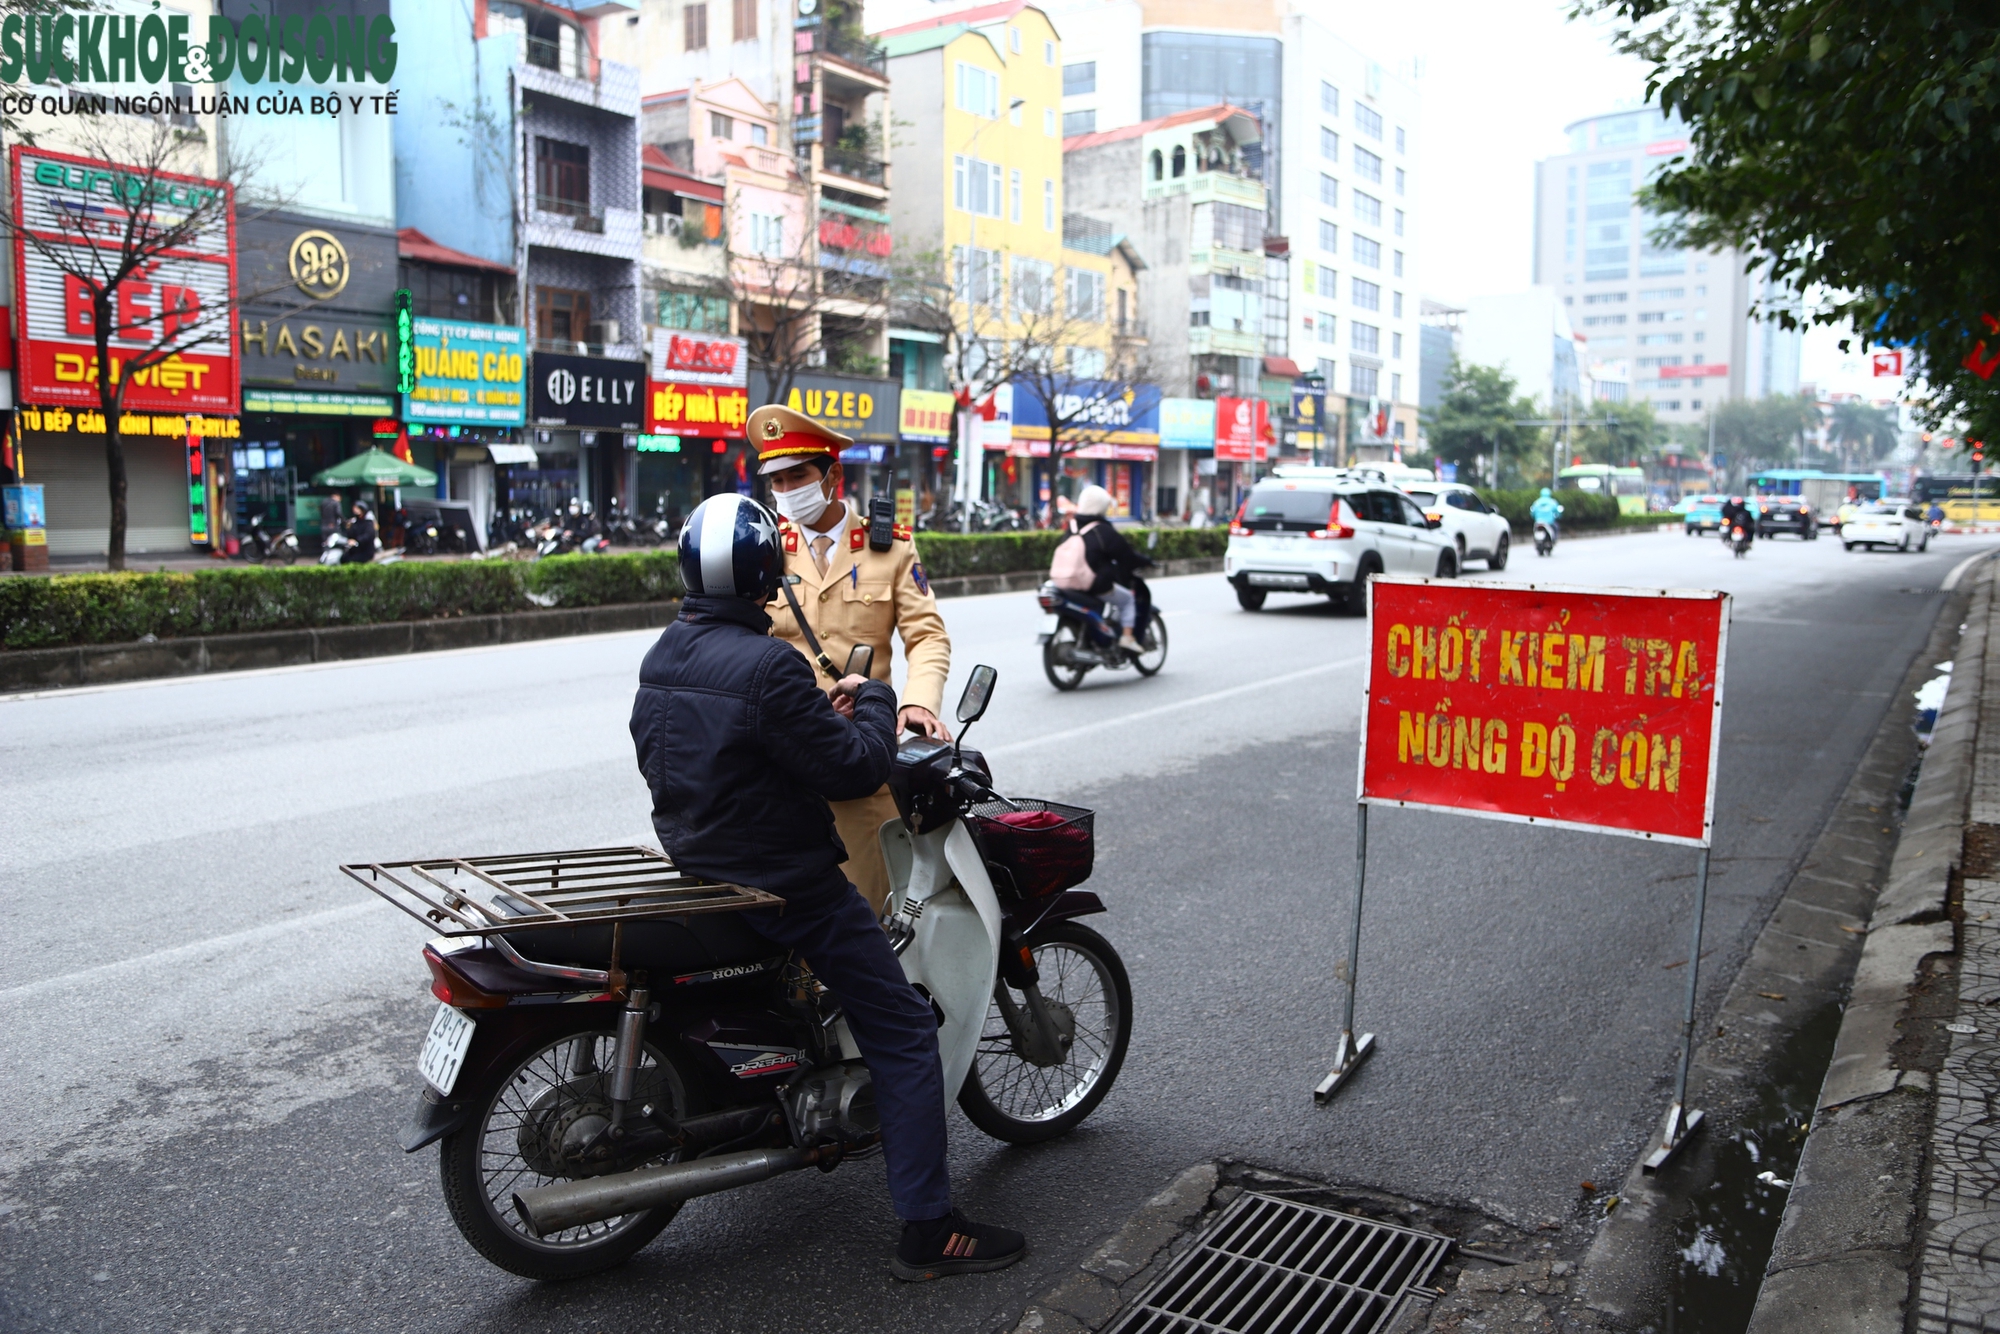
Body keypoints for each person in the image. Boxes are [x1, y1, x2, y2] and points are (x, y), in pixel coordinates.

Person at [629, 492, 1025, 1282]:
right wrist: (874, 696)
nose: (793, 484)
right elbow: (851, 765)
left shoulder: (664, 653)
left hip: (703, 859)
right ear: (763, 573)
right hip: (788, 880)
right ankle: (928, 1230)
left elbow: (693, 747)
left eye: (802, 471)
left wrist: (828, 707)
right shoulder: (769, 660)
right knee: (906, 1034)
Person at [754, 404, 952, 918]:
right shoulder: (765, 550)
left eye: (798, 475)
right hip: (786, 757)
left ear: (833, 475)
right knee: (786, 911)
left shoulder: (891, 549)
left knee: (870, 911)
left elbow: (927, 637)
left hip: (861, 761)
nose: (786, 489)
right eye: (776, 480)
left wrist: (917, 704)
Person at [1070, 484, 1154, 653]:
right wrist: (1145, 561)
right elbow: (1126, 556)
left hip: (1069, 582)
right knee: (1128, 600)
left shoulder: (1072, 527)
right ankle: (1127, 637)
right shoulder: (1103, 530)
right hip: (1094, 583)